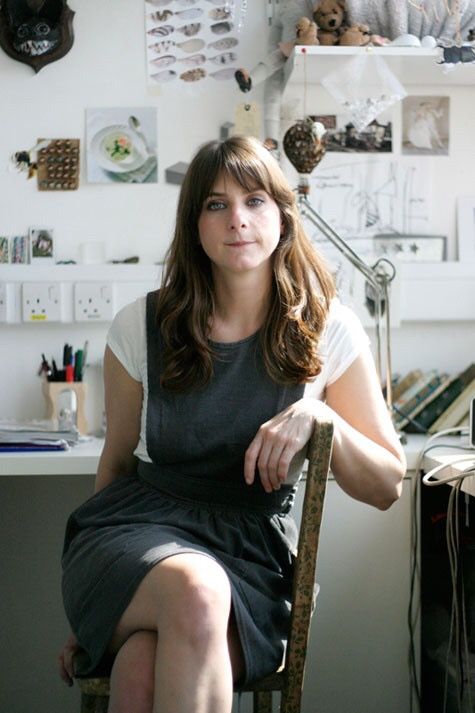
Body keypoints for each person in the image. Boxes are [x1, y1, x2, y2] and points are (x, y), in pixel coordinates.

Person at [58, 135, 406, 713]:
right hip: (132, 535)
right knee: (193, 590)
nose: (237, 220)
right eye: (216, 204)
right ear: (194, 223)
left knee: (141, 666)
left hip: (251, 561)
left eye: (254, 201)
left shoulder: (329, 331)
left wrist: (323, 418)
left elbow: (388, 484)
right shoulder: (139, 325)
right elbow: (116, 466)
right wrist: (106, 608)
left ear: (283, 214)